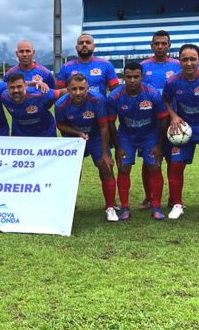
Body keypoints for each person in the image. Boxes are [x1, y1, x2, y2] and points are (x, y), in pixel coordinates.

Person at [162, 44, 199, 219]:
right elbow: (165, 101)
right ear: (179, 60)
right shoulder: (172, 81)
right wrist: (173, 116)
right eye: (184, 59)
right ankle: (177, 204)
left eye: (192, 59)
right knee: (176, 164)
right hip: (183, 128)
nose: (188, 63)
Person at [108, 61, 169, 221]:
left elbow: (163, 119)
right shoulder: (115, 96)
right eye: (129, 77)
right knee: (124, 168)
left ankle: (156, 206)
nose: (132, 80)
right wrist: (118, 146)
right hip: (126, 136)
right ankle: (125, 207)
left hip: (150, 135)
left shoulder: (152, 93)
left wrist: (159, 145)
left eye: (136, 76)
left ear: (142, 76)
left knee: (154, 167)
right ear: (123, 77)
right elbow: (110, 123)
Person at [55, 73, 117, 222]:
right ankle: (69, 205)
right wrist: (77, 133)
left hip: (95, 136)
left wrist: (105, 153)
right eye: (74, 89)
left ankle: (110, 207)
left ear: (87, 88)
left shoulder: (98, 100)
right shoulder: (60, 104)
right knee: (73, 173)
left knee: (105, 167)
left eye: (81, 89)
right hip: (74, 138)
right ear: (68, 88)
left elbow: (104, 126)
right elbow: (60, 125)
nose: (78, 92)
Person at [140, 30, 181, 209]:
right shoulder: (143, 65)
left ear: (169, 46)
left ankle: (174, 199)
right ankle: (149, 197)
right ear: (152, 46)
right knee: (149, 161)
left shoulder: (178, 65)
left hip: (173, 120)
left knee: (174, 161)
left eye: (164, 43)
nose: (160, 46)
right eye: (157, 43)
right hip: (149, 122)